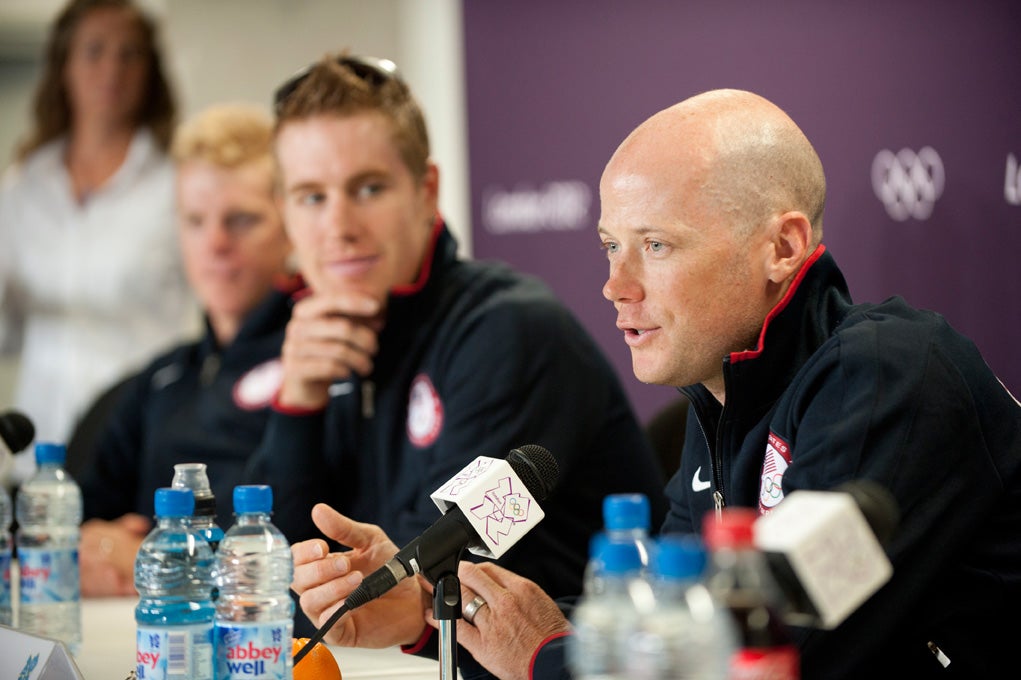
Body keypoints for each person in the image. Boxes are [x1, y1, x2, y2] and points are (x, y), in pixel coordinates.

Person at [292, 88, 1021, 679]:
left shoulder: (887, 376)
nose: (614, 285)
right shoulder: (724, 396)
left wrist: (548, 659)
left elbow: (762, 656)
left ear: (781, 246)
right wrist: (427, 614)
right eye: (611, 245)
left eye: (657, 245)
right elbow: (665, 629)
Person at [249, 53, 667, 661]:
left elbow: (440, 583)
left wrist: (369, 600)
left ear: (427, 192)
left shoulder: (508, 330)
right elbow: (270, 589)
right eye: (311, 197)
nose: (339, 226)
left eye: (368, 188)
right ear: (286, 215)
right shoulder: (330, 341)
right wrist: (298, 404)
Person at [76, 103, 294, 597]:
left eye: (240, 219)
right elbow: (75, 516)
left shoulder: (324, 364)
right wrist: (96, 544)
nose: (215, 242)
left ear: (289, 225)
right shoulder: (160, 379)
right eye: (195, 220)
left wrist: (169, 560)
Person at [0, 0, 196, 466]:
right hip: (40, 435)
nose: (112, 68)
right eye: (95, 51)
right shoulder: (25, 183)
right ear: (63, 64)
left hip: (140, 430)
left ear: (151, 70)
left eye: (130, 54)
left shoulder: (177, 180)